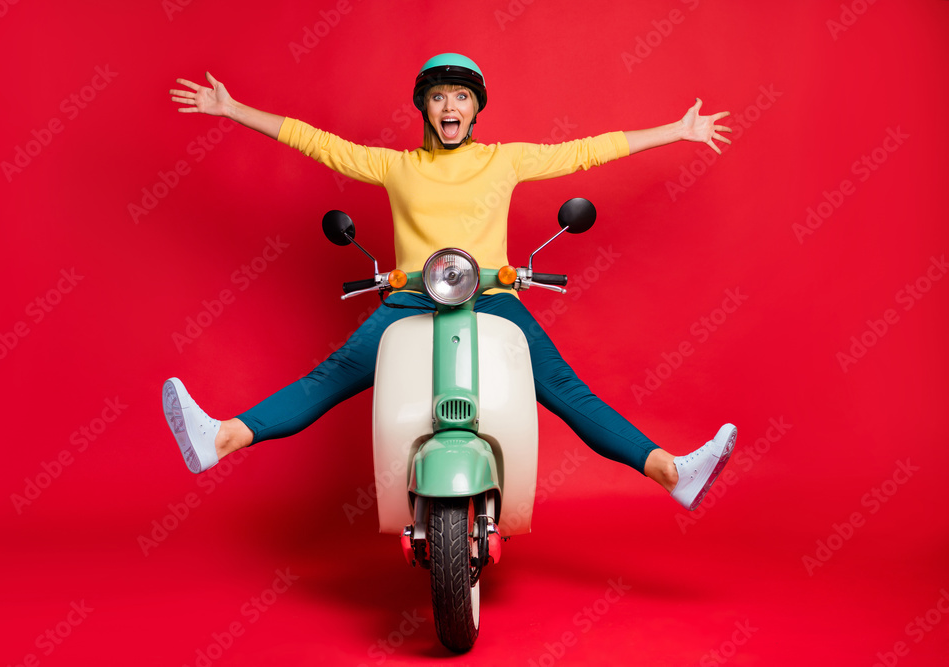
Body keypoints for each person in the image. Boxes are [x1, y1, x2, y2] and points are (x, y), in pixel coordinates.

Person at [164, 53, 736, 511]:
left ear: (476, 108)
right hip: (410, 297)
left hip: (492, 295)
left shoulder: (503, 160)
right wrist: (233, 109)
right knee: (334, 374)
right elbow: (319, 145)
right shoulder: (397, 166)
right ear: (425, 109)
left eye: (461, 96)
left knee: (565, 389)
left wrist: (676, 131)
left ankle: (669, 471)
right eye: (438, 97)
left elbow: (584, 153)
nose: (450, 106)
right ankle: (222, 438)